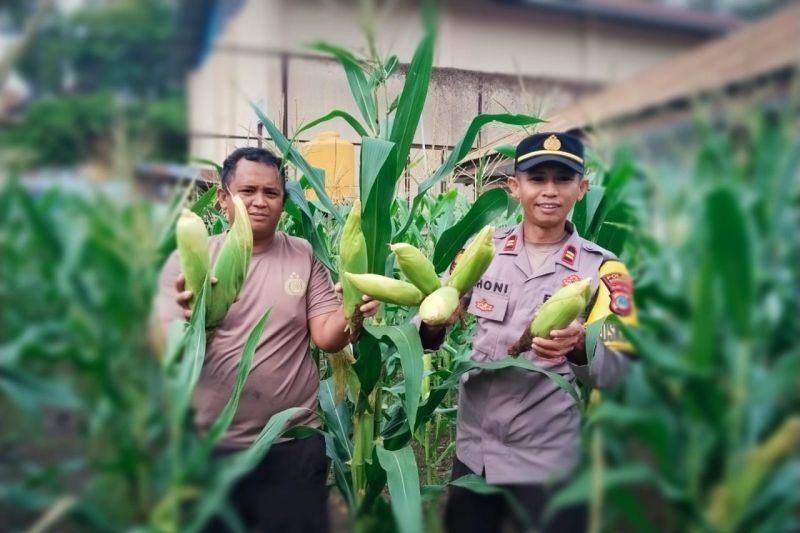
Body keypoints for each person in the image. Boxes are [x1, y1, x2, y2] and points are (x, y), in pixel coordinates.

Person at [420, 132, 638, 533]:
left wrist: (579, 348)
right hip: (476, 458)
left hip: (550, 465)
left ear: (582, 188)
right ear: (514, 187)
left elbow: (622, 367)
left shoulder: (606, 272)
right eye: (537, 179)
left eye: (563, 179)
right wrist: (433, 323)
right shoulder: (480, 252)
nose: (550, 191)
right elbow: (428, 324)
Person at [155, 146, 379, 532]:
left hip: (291, 447)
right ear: (223, 199)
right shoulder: (191, 259)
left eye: (271, 193)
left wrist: (352, 311)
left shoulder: (302, 255)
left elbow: (327, 337)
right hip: (210, 450)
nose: (260, 202)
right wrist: (190, 325)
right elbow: (159, 344)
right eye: (248, 191)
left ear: (283, 201)